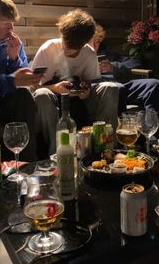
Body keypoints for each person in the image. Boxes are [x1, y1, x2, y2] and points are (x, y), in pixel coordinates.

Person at [31, 9, 119, 155]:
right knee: (41, 94)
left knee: (110, 87)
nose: (67, 50)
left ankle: (105, 147)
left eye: (73, 49)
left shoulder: (89, 53)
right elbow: (33, 87)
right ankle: (57, 151)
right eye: (65, 43)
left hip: (79, 101)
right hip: (53, 99)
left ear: (84, 43)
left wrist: (86, 90)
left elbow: (91, 83)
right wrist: (55, 88)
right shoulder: (48, 49)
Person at [0, 0, 44, 161]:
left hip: (4, 103)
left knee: (24, 95)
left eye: (12, 23)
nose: (11, 28)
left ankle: (27, 165)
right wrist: (10, 80)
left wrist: (14, 59)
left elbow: (22, 78)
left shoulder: (12, 41)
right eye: (6, 22)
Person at [89, 23, 159, 135]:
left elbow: (135, 62)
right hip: (97, 90)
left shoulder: (105, 54)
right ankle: (122, 135)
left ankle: (151, 136)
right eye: (91, 42)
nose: (95, 47)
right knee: (117, 87)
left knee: (154, 84)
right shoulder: (79, 55)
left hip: (120, 87)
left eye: (98, 42)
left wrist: (114, 66)